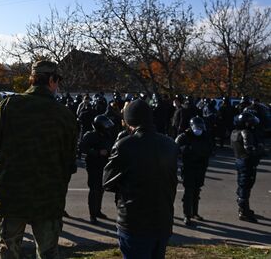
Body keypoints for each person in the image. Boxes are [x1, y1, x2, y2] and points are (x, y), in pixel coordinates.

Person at [0, 60, 78, 258]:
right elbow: (69, 162)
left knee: (9, 251)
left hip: (11, 196)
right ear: (51, 80)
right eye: (56, 81)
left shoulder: (9, 106)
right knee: (48, 252)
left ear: (32, 80)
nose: (57, 85)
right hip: (48, 198)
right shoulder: (65, 116)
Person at [103, 99, 178, 259]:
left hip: (134, 222)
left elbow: (107, 181)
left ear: (129, 120)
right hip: (163, 219)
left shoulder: (125, 145)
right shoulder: (170, 144)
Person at [175, 116, 213, 226]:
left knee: (197, 191)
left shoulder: (205, 136)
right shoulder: (184, 137)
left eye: (201, 127)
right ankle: (187, 215)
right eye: (197, 127)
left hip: (201, 168)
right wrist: (187, 150)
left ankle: (194, 212)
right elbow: (176, 149)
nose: (199, 130)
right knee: (189, 192)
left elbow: (210, 149)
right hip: (188, 168)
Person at [78, 115, 115, 224]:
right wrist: (97, 152)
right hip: (93, 165)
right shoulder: (90, 135)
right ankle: (92, 215)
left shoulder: (107, 135)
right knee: (94, 190)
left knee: (101, 189)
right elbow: (82, 148)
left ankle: (98, 211)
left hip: (104, 165)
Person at [230, 112, 265, 222]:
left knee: (243, 185)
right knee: (245, 186)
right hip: (247, 161)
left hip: (239, 160)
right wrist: (260, 150)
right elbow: (250, 149)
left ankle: (245, 208)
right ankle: (243, 211)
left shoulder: (234, 132)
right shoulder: (245, 132)